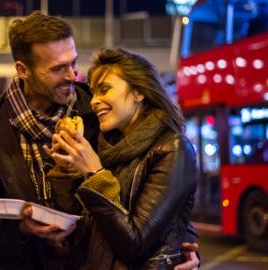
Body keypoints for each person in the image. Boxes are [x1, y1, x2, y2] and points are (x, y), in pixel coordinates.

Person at [0, 11, 200, 270]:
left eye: (73, 63)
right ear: (23, 70)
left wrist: (181, 247)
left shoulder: (95, 111)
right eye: (57, 68)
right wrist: (21, 227)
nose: (73, 75)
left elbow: (149, 193)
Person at [47, 48, 199, 269]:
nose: (94, 101)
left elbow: (134, 243)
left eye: (104, 89)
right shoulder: (102, 147)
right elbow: (77, 235)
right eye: (93, 92)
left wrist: (95, 175)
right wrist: (66, 173)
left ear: (138, 92)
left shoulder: (173, 148)